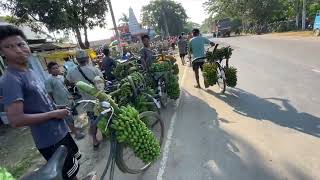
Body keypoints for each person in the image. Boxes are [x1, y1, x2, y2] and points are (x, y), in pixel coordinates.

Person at [0, 25, 81, 180]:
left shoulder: (29, 71)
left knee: (73, 172)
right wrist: (54, 113)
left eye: (20, 44)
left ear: (27, 46)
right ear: (2, 52)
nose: (18, 50)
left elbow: (40, 103)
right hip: (49, 139)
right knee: (69, 177)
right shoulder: (10, 79)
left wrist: (56, 108)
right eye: (9, 47)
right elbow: (15, 120)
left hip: (61, 132)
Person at [66, 49, 103, 149]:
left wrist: (78, 85)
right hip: (99, 98)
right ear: (87, 58)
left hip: (86, 101)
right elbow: (102, 82)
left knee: (93, 120)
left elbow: (68, 82)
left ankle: (95, 140)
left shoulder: (72, 72)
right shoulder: (94, 69)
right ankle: (105, 134)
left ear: (77, 60)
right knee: (103, 117)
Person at [46, 62, 85, 140]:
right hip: (61, 104)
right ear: (49, 71)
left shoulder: (61, 77)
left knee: (73, 116)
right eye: (53, 68)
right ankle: (76, 134)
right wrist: (53, 105)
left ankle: (76, 129)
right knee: (68, 119)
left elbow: (65, 88)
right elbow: (49, 94)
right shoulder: (48, 80)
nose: (56, 69)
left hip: (69, 100)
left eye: (57, 67)